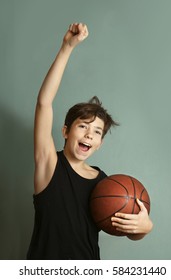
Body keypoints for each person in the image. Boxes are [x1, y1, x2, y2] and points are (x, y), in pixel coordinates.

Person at [27, 23, 153, 260]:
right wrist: (67, 47)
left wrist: (145, 228)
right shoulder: (49, 164)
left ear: (100, 144)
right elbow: (44, 102)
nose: (88, 135)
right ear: (65, 131)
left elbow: (126, 228)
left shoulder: (105, 184)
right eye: (83, 126)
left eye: (96, 132)